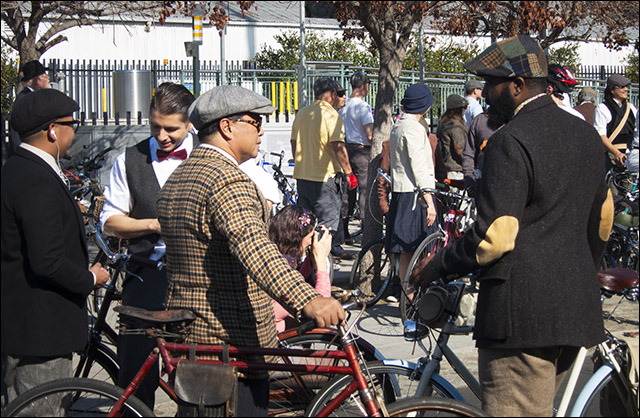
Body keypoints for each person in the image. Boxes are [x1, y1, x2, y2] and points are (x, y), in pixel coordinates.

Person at [413, 35, 614, 417]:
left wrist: (437, 265)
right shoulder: (586, 136)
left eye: (492, 84)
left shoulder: (511, 141)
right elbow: (603, 220)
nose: (485, 93)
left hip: (519, 320)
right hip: (575, 311)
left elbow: (495, 236)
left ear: (518, 87)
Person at [157, 85, 345, 416]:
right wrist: (309, 299)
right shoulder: (226, 180)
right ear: (227, 127)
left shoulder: (181, 175)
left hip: (193, 341)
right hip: (230, 347)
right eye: (255, 122)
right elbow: (255, 248)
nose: (261, 131)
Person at [1, 89, 109, 411]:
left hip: (22, 325)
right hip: (40, 334)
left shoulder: (16, 169)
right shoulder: (36, 178)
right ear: (52, 130)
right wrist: (89, 278)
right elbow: (47, 260)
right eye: (71, 124)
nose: (74, 131)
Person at [99, 82, 196, 409]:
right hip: (144, 277)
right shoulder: (129, 159)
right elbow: (110, 220)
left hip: (197, 279)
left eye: (172, 129)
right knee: (136, 372)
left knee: (196, 372)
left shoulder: (209, 155)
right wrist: (153, 224)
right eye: (155, 126)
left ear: (190, 123)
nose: (162, 136)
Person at [291, 78, 357, 263]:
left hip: (303, 177)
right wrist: (350, 173)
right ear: (333, 94)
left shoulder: (302, 114)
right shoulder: (331, 115)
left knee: (306, 223)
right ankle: (322, 266)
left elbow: (294, 143)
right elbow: (338, 145)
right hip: (325, 177)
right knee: (326, 225)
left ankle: (306, 262)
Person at [387, 83, 438, 300]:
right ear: (425, 106)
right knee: (422, 247)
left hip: (401, 193)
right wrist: (430, 201)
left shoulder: (398, 125)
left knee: (404, 251)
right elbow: (418, 166)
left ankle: (407, 297)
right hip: (416, 195)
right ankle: (415, 298)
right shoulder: (415, 129)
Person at [268, 206, 332, 333]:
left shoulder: (277, 257)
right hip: (270, 334)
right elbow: (322, 308)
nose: (313, 240)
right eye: (310, 236)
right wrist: (321, 262)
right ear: (297, 239)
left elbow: (295, 285)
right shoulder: (285, 262)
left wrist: (310, 260)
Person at [339, 71, 374, 244]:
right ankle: (366, 229)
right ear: (364, 85)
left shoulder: (343, 105)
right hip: (362, 151)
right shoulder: (363, 106)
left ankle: (344, 231)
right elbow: (369, 134)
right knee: (365, 190)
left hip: (345, 149)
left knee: (348, 190)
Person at [7, 60, 51, 159]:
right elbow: (16, 133)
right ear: (37, 80)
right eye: (45, 76)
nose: (48, 78)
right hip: (25, 158)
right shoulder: (25, 99)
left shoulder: (32, 97)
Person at [594, 74, 638, 169]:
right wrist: (616, 153)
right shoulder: (602, 108)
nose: (626, 89)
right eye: (622, 87)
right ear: (612, 90)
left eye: (627, 87)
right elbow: (600, 135)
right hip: (610, 156)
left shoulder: (631, 108)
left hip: (629, 156)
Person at [462, 112, 498, 196]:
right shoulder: (480, 121)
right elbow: (469, 154)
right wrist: (470, 182)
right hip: (483, 187)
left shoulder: (518, 119)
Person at [437, 94, 469, 182]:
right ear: (458, 109)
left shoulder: (444, 122)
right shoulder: (455, 125)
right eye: (464, 107)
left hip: (447, 167)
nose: (465, 109)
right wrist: (469, 162)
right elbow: (459, 148)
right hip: (455, 171)